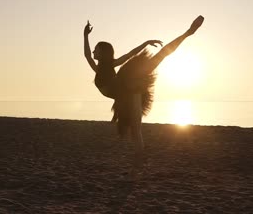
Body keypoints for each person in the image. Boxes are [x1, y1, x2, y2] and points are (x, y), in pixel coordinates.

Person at [83, 15, 204, 175]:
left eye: (96, 49)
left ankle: (188, 32)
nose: (93, 51)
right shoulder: (98, 68)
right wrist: (85, 35)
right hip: (125, 94)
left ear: (103, 53)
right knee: (135, 128)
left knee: (159, 56)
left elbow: (131, 53)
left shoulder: (111, 64)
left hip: (129, 84)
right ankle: (139, 156)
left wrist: (146, 43)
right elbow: (86, 55)